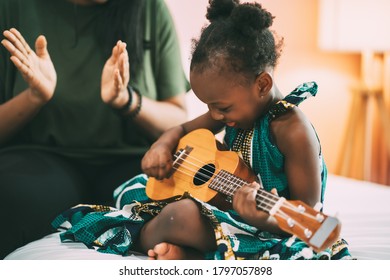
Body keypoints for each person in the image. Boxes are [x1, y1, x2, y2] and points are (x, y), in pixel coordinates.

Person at [26, 0, 352, 260]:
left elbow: (307, 212)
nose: (213, 115)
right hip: (222, 207)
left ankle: (174, 247)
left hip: (266, 226)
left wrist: (260, 217)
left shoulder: (292, 130)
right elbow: (180, 128)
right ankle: (189, 250)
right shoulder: (232, 111)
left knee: (179, 215)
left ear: (262, 84)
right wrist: (162, 146)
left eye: (221, 107)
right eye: (209, 106)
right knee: (133, 189)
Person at [0, 0, 190, 259]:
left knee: (188, 208)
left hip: (132, 164)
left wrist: (127, 101)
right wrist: (34, 97)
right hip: (40, 160)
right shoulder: (12, 8)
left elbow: (177, 120)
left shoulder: (150, 8)